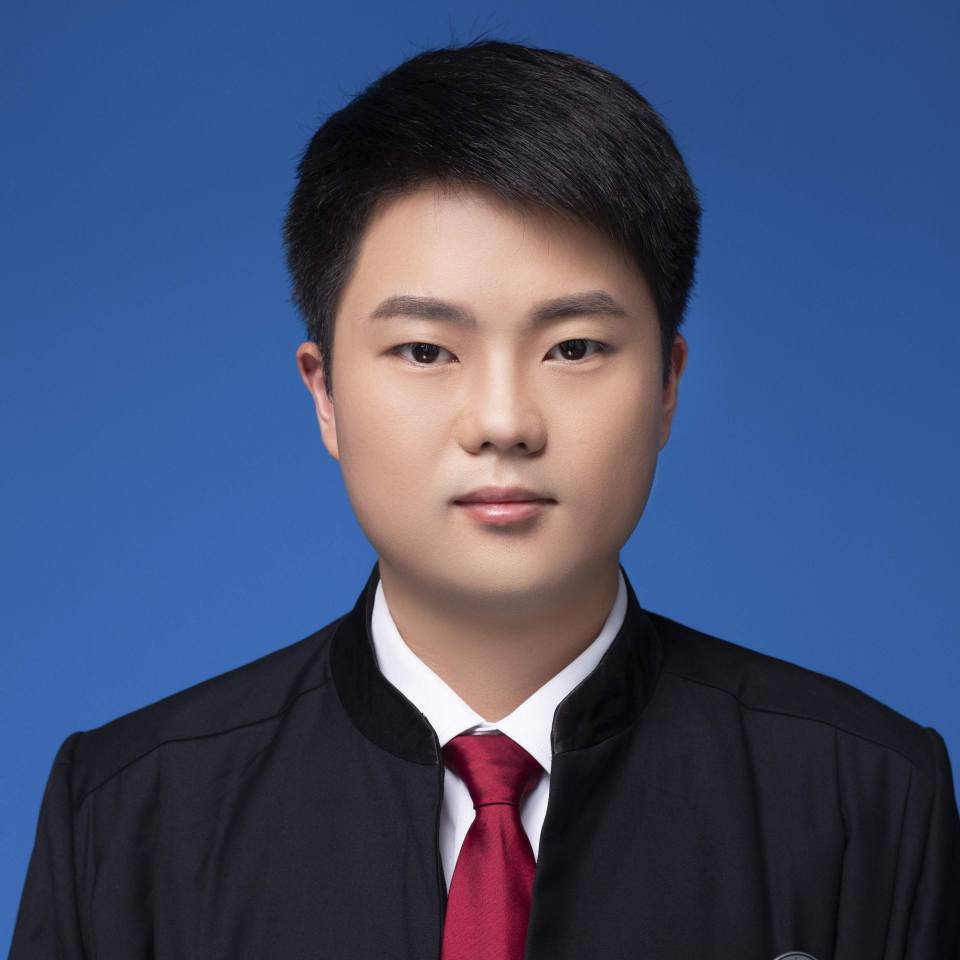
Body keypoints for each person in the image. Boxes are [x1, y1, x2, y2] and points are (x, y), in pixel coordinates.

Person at [10, 38, 959, 960]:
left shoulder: (864, 799)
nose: (503, 422)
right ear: (325, 394)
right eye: (426, 350)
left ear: (668, 386)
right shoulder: (130, 813)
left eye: (574, 348)